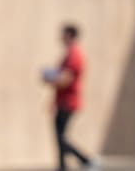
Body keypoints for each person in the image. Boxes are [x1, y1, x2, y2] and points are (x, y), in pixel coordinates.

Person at [42, 23, 96, 171]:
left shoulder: (74, 54)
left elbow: (65, 79)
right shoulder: (68, 54)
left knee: (61, 138)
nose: (60, 37)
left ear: (70, 35)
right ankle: (62, 166)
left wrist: (49, 79)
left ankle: (85, 160)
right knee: (59, 136)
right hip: (62, 101)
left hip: (68, 101)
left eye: (63, 33)